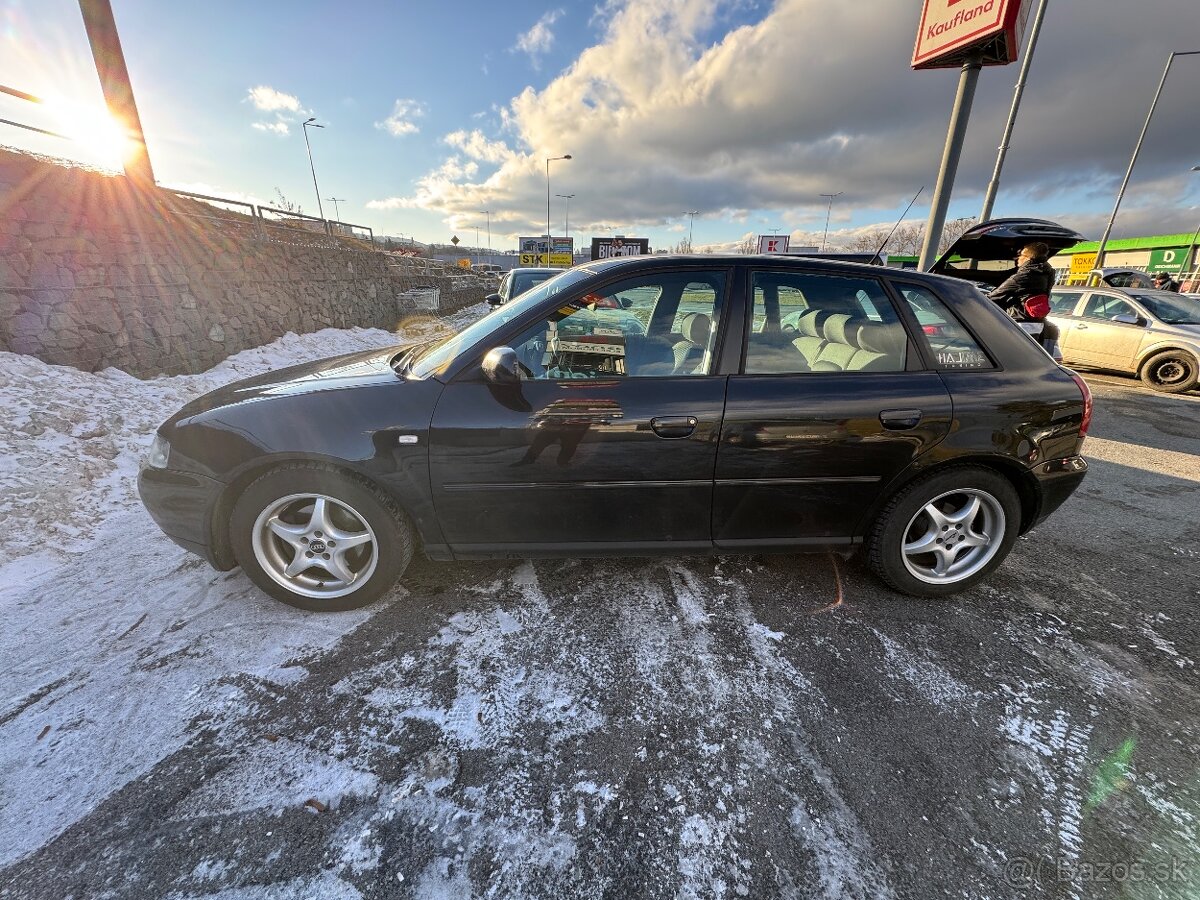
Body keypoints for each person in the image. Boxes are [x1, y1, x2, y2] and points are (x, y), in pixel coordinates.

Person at [988, 242, 1059, 357]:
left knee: (1005, 357)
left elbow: (994, 297)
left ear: (1028, 258)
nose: (1018, 258)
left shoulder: (1023, 275)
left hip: (1018, 322)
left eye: (1021, 255)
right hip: (1037, 323)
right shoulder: (1047, 273)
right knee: (1025, 357)